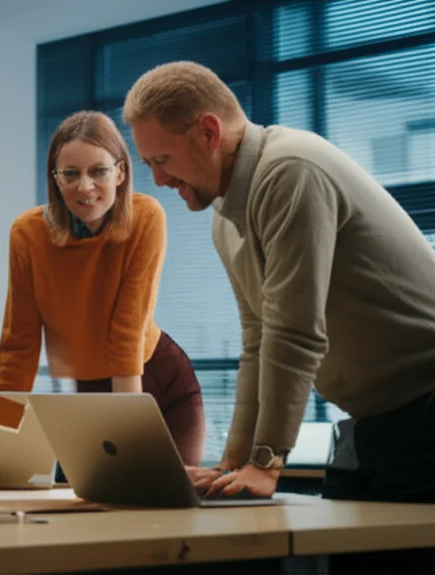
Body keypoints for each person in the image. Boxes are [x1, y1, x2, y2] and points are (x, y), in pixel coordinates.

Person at [123, 60, 435, 507]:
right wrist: (233, 467)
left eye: (162, 160)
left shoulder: (291, 170)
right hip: (375, 422)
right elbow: (259, 340)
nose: (158, 180)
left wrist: (266, 463)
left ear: (209, 133)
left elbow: (295, 331)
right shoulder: (225, 219)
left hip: (424, 411)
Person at [0, 111, 206, 466]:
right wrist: (0, 434)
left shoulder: (146, 217)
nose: (85, 186)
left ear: (121, 172)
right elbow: (19, 344)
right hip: (91, 386)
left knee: (170, 501)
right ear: (55, 179)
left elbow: (128, 330)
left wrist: (129, 434)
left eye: (99, 171)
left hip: (158, 374)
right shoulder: (27, 234)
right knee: (107, 505)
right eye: (71, 174)